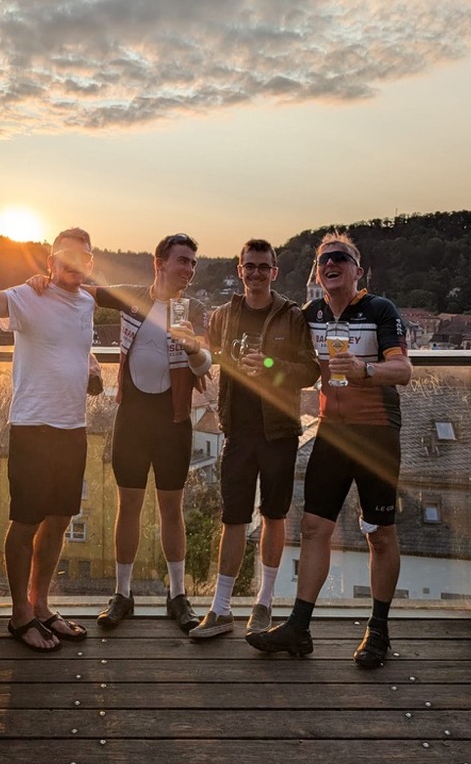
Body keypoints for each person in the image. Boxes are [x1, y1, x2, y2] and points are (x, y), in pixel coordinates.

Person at [246, 231, 412, 668]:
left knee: (379, 534)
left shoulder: (379, 310)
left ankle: (378, 630)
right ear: (316, 274)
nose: (331, 264)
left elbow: (403, 369)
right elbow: (295, 367)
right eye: (323, 261)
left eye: (341, 258)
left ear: (359, 271)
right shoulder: (309, 314)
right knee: (316, 529)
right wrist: (262, 365)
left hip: (376, 432)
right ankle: (299, 628)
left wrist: (364, 370)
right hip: (332, 432)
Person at [0, 217, 99, 652]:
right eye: (66, 256)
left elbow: (73, 346)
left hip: (73, 426)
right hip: (33, 426)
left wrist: (91, 366)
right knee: (25, 523)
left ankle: (41, 606)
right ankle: (19, 616)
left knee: (59, 521)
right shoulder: (28, 295)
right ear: (51, 260)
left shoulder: (88, 304)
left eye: (83, 256)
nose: (75, 264)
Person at [189, 239, 320, 640]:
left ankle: (263, 603)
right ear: (239, 270)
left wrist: (268, 366)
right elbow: (209, 361)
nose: (258, 273)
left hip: (278, 430)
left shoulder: (291, 315)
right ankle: (221, 608)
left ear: (274, 272)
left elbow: (310, 370)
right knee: (233, 518)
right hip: (238, 431)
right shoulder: (222, 316)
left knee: (274, 517)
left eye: (265, 267)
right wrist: (193, 353)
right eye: (251, 266)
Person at [94, 233, 212, 634]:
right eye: (183, 261)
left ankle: (177, 595)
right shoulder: (131, 296)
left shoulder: (191, 309)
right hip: (131, 417)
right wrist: (44, 279)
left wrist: (193, 347)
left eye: (193, 263)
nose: (189, 270)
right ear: (159, 262)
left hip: (173, 419)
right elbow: (80, 291)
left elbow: (205, 364)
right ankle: (122, 594)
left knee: (170, 509)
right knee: (128, 507)